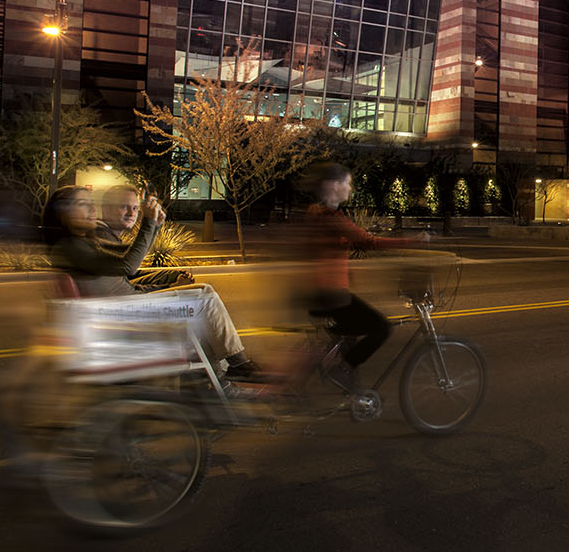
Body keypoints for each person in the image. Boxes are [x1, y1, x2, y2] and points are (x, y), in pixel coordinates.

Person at [42, 185, 262, 386]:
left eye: (91, 203)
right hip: (122, 314)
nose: (92, 209)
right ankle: (238, 364)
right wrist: (149, 223)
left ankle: (215, 382)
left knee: (199, 316)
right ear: (63, 214)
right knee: (204, 296)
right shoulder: (71, 247)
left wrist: (155, 225)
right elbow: (128, 265)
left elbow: (129, 265)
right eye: (83, 204)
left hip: (123, 308)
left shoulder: (82, 243)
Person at [297, 163, 426, 391]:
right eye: (347, 182)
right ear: (334, 186)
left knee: (349, 335)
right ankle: (343, 371)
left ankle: (351, 391)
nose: (350, 187)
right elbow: (369, 242)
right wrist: (415, 241)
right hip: (331, 296)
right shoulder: (331, 218)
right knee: (381, 328)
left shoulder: (316, 212)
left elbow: (329, 249)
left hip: (317, 293)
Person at [94, 184, 195, 291]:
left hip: (117, 293)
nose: (131, 213)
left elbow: (127, 269)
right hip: (114, 299)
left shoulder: (108, 234)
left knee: (173, 275)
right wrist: (171, 287)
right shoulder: (100, 235)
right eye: (123, 206)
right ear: (105, 209)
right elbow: (128, 274)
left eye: (135, 208)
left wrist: (155, 226)